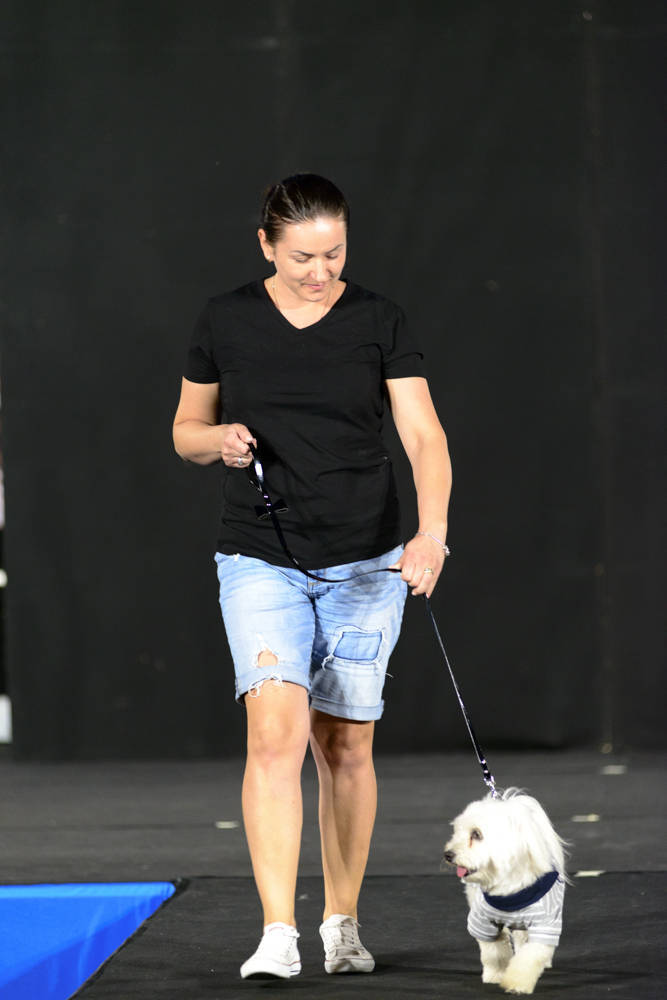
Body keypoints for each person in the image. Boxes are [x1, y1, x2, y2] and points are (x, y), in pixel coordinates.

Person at [173, 173, 452, 980]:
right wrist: (217, 440)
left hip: (366, 559)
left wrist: (431, 535)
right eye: (302, 256)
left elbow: (423, 436)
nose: (320, 271)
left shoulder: (378, 319)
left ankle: (341, 921)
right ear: (266, 245)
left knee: (346, 746)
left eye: (334, 253)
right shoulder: (225, 318)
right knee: (274, 735)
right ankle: (276, 932)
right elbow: (185, 430)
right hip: (260, 558)